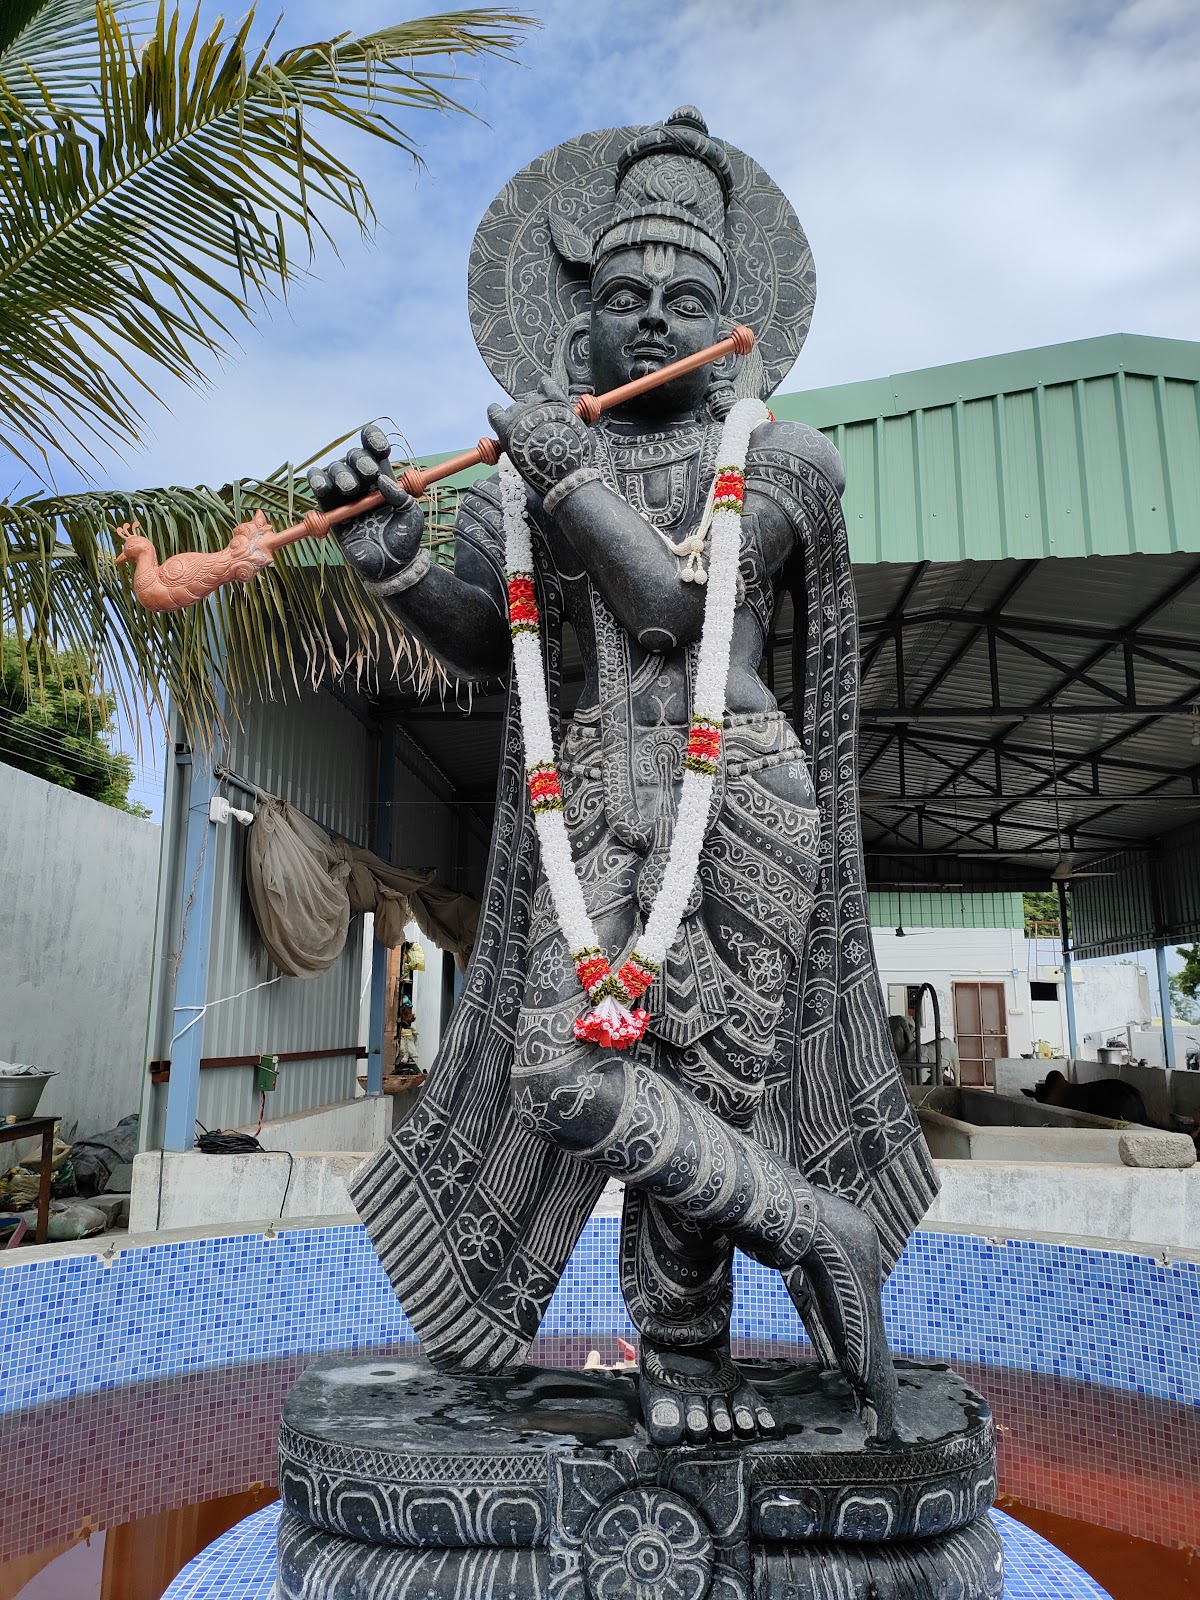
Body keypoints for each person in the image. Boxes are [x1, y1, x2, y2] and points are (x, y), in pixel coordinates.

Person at [316, 109, 936, 1445]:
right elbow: (495, 644)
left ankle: (685, 1358)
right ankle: (815, 1228)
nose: (653, 321)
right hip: (590, 787)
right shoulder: (525, 483)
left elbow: (678, 611)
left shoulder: (781, 459)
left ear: (734, 329)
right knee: (565, 1074)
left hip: (744, 791)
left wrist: (570, 479)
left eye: (686, 301)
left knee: (707, 1079)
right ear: (577, 323)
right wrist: (398, 565)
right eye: (623, 298)